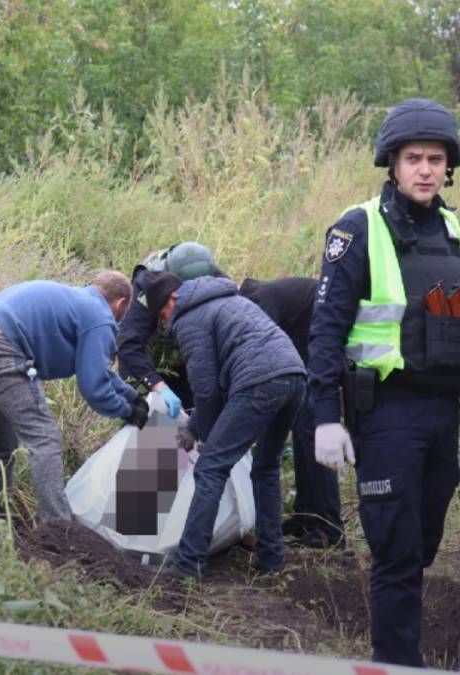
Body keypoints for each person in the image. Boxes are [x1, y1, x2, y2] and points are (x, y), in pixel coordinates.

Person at [307, 97, 460, 667]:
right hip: (388, 414)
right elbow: (326, 329)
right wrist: (325, 415)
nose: (426, 169)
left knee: (421, 545)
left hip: (445, 413)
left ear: (449, 167)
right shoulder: (357, 227)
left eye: (436, 159)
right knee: (396, 553)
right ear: (392, 164)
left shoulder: (454, 231)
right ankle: (398, 661)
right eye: (414, 158)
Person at [144, 272, 305, 578]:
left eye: (162, 313)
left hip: (260, 381)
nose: (164, 322)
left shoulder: (189, 319)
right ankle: (271, 559)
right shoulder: (228, 299)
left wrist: (194, 431)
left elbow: (205, 390)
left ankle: (188, 562)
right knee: (266, 467)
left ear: (173, 299)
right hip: (295, 375)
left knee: (210, 467)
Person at [0, 271, 150, 524]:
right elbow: (94, 389)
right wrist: (127, 411)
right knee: (45, 438)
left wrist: (133, 396)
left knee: (4, 442)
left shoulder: (78, 303)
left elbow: (97, 370)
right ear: (121, 303)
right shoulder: (100, 316)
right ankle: (58, 528)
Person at [238, 277, 343, 548]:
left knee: (314, 435)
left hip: (329, 351)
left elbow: (264, 354)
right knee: (302, 431)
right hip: (313, 354)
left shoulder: (260, 301)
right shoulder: (262, 296)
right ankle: (306, 516)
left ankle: (330, 529)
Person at [118, 242, 225, 417]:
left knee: (191, 412)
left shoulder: (217, 280)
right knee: (146, 412)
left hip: (184, 351)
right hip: (147, 352)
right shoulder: (149, 286)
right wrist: (157, 385)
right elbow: (128, 345)